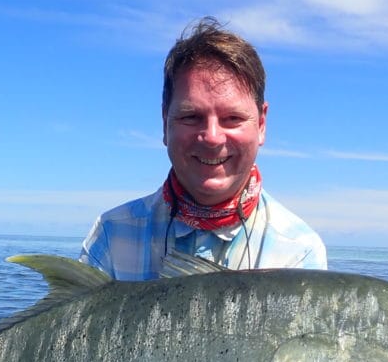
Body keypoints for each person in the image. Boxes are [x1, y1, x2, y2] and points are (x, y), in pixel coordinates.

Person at [79, 17, 327, 280]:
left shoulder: (299, 254)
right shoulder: (111, 234)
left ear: (262, 124)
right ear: (165, 123)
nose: (212, 137)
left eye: (233, 118)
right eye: (191, 117)